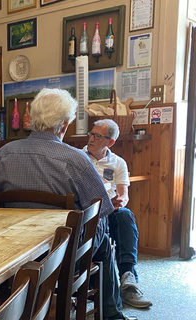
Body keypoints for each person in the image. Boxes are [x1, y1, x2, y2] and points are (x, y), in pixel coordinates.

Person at [0, 88, 136, 320]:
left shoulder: (4, 153)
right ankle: (112, 315)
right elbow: (102, 210)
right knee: (104, 242)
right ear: (65, 125)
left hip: (15, 253)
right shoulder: (77, 159)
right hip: (64, 258)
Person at [84, 119, 152, 308]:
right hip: (87, 211)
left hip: (109, 210)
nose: (91, 138)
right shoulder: (79, 157)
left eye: (97, 136)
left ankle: (127, 278)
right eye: (91, 133)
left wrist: (120, 201)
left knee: (125, 215)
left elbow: (124, 194)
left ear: (110, 142)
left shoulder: (118, 163)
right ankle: (93, 281)